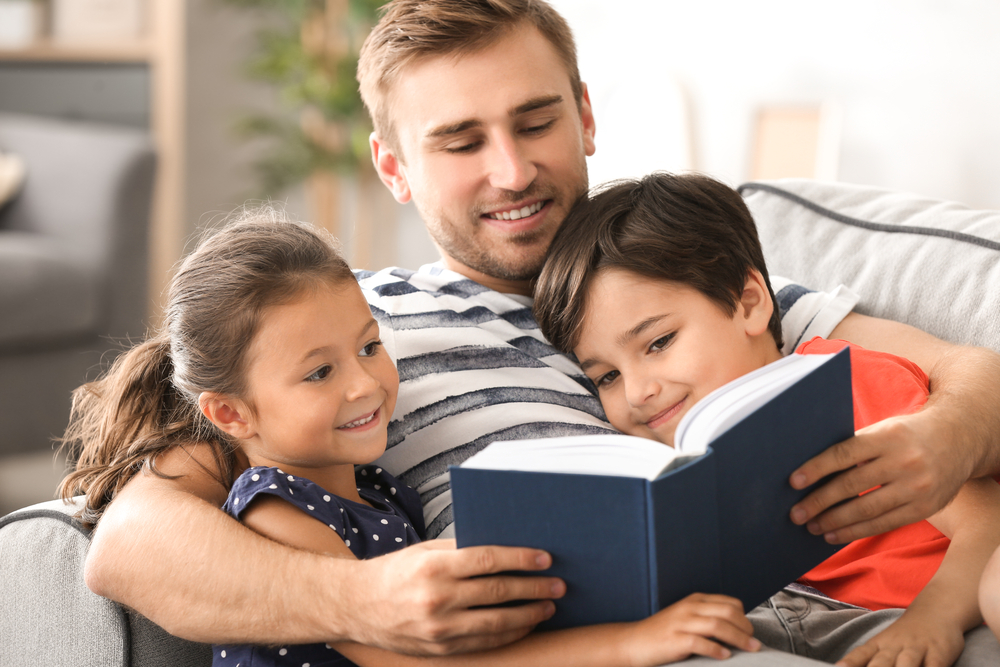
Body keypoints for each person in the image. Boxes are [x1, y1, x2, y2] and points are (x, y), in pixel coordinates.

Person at [75, 0, 1000, 657]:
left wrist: (945, 437)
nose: (512, 171)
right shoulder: (346, 337)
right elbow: (129, 541)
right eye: (461, 141)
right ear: (394, 168)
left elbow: (972, 375)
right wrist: (361, 598)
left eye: (536, 121)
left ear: (586, 116)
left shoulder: (696, 285)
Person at [63, 210, 764, 667]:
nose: (365, 386)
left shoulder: (373, 487)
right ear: (231, 415)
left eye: (370, 347)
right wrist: (631, 643)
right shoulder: (278, 508)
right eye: (318, 373)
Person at [532, 171, 1000, 667]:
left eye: (659, 343)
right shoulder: (668, 464)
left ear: (749, 302)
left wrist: (935, 620)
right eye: (606, 377)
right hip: (775, 626)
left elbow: (987, 523)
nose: (638, 391)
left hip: (923, 613)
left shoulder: (840, 384)